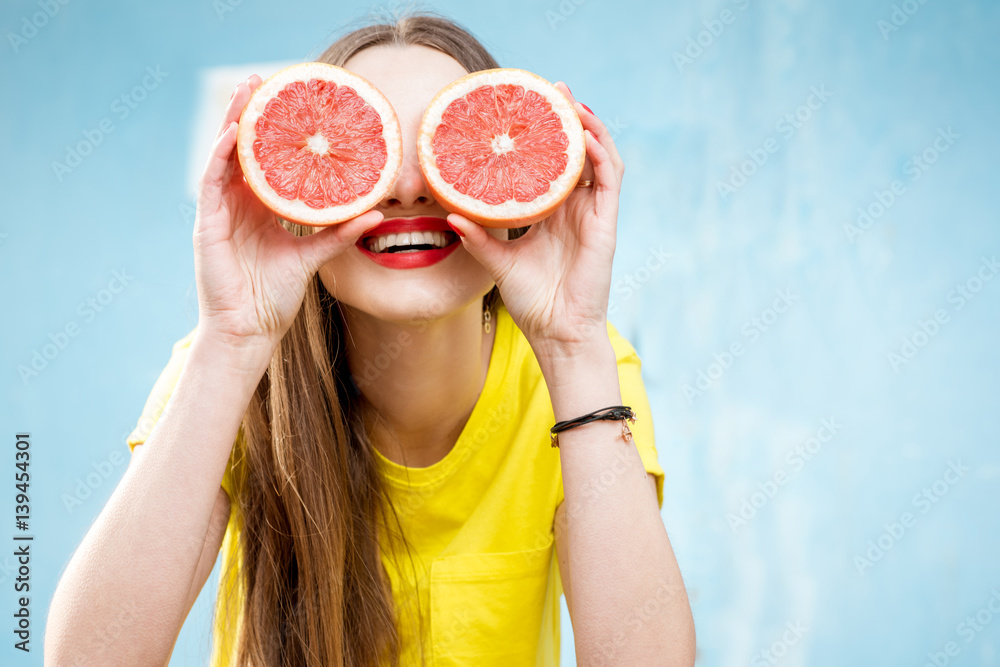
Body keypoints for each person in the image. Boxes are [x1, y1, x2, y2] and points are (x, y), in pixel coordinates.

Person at [45, 12, 695, 667]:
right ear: (294, 202)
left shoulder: (580, 367)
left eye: (445, 149)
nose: (409, 188)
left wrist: (572, 343)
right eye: (370, 153)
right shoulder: (228, 368)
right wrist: (233, 341)